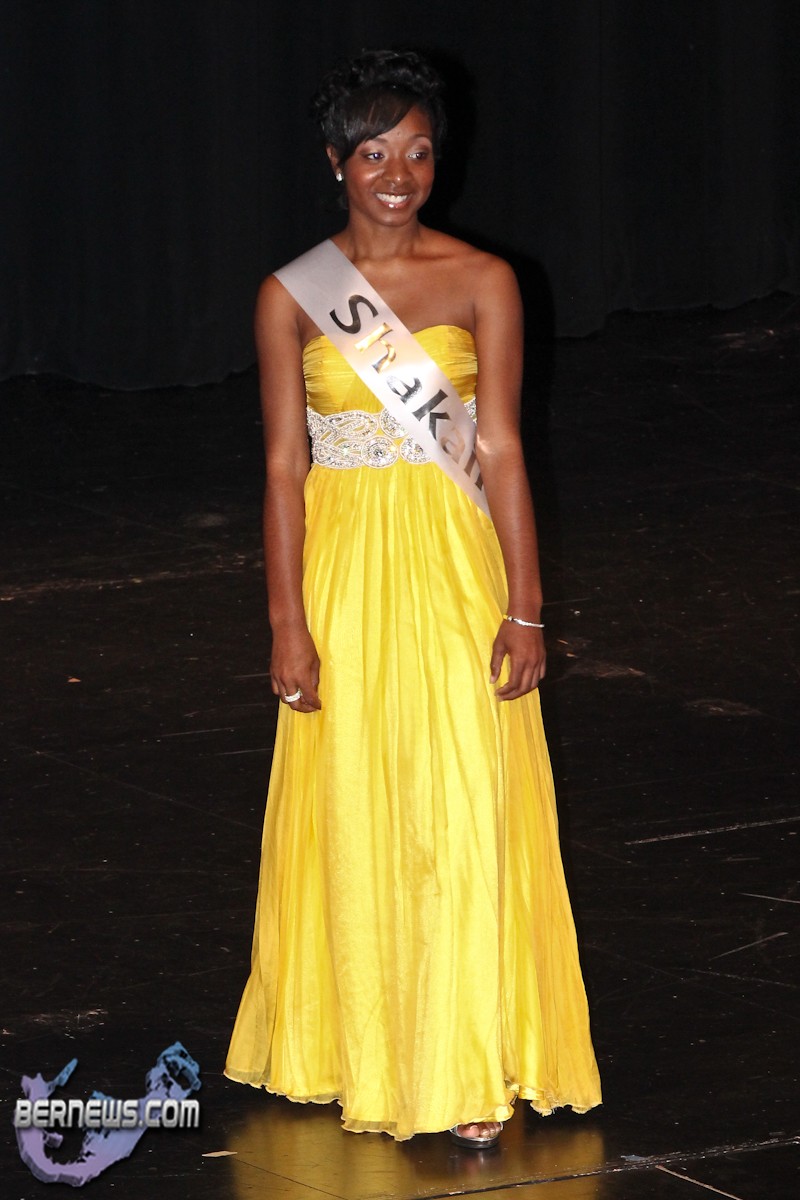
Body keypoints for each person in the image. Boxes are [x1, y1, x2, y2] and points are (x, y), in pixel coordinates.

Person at [224, 48, 601, 1148]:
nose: (399, 175)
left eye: (419, 152)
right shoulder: (292, 295)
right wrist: (286, 623)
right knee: (354, 799)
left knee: (462, 797)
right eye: (375, 153)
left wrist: (525, 606)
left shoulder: (483, 279)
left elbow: (504, 449)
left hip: (450, 561)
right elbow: (283, 468)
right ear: (335, 161)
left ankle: (466, 1055)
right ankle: (362, 1047)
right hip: (342, 568)